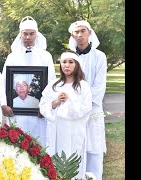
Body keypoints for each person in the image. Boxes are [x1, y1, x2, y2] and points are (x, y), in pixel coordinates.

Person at [1, 16, 57, 147]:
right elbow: (4, 82)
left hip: (38, 113)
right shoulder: (12, 56)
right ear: (20, 35)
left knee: (38, 145)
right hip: (16, 113)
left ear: (37, 35)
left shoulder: (45, 56)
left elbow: (51, 83)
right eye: (25, 34)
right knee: (17, 144)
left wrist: (46, 107)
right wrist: (4, 104)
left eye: (31, 34)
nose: (28, 37)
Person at [39, 50, 92, 179]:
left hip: (74, 131)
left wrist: (69, 101)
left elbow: (86, 108)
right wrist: (56, 102)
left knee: (72, 160)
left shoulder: (83, 86)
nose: (66, 65)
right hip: (56, 131)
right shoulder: (53, 85)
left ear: (76, 65)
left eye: (70, 62)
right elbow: (43, 106)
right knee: (55, 160)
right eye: (64, 62)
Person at [68, 20, 107, 180]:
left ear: (89, 32)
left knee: (94, 149)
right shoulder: (69, 57)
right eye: (76, 32)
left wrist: (84, 104)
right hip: (74, 110)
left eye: (83, 31)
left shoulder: (99, 56)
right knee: (76, 147)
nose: (80, 35)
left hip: (92, 110)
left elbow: (99, 86)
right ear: (72, 35)